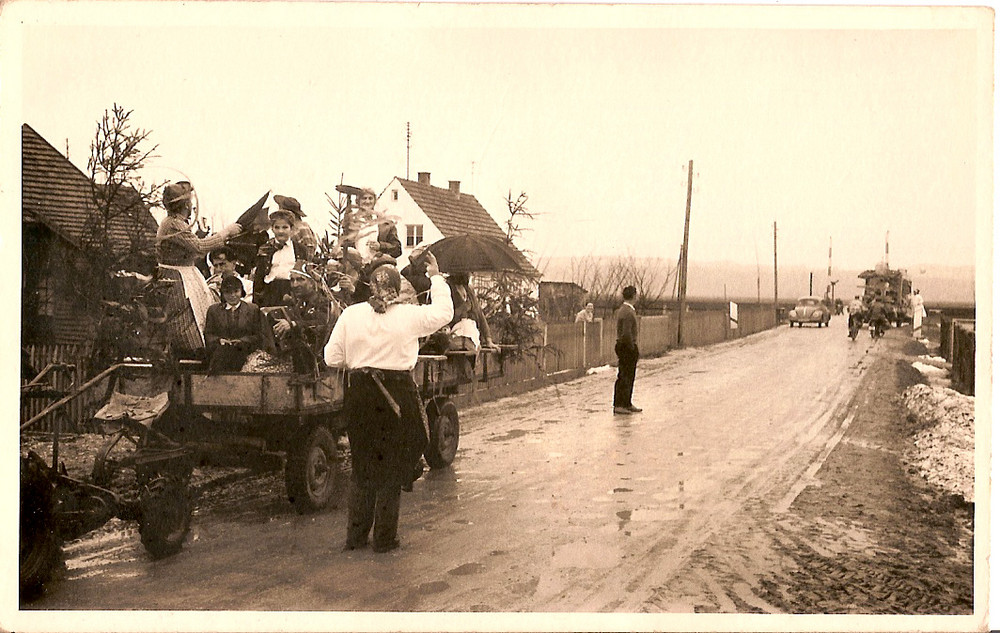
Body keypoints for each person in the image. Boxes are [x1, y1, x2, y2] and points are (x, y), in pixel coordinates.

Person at [324, 254, 453, 553]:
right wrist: (435, 276)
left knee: (363, 464)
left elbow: (331, 358)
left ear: (370, 287)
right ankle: (384, 539)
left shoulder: (351, 314)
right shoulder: (409, 315)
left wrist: (360, 359)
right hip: (395, 394)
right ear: (399, 288)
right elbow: (444, 313)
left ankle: (355, 539)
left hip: (359, 394)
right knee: (391, 467)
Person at [155, 180, 244, 355]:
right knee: (185, 317)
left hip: (183, 275)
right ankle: (190, 355)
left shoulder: (175, 223)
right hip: (177, 279)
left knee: (193, 315)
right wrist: (227, 232)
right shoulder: (173, 224)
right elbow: (199, 247)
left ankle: (193, 353)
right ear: (185, 204)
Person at [271, 260, 335, 377]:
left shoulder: (323, 302)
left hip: (318, 365)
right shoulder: (299, 303)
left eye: (300, 279)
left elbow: (322, 324)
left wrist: (293, 324)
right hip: (300, 360)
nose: (295, 284)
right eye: (292, 280)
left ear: (312, 282)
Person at [204, 274, 264, 373]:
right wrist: (219, 340)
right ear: (222, 293)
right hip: (220, 354)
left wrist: (242, 341)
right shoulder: (213, 310)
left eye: (236, 291)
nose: (232, 295)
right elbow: (208, 334)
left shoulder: (252, 309)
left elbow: (258, 335)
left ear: (242, 291)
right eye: (228, 292)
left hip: (245, 352)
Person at [253, 207, 311, 307]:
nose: (281, 231)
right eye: (277, 227)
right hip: (270, 291)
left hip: (292, 290)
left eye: (285, 227)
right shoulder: (265, 249)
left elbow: (305, 275)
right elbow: (259, 276)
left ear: (291, 229)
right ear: (272, 229)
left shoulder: (300, 249)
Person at [341, 187, 402, 266]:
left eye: (370, 198)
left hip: (378, 267)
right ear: (358, 202)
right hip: (356, 268)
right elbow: (344, 246)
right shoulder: (352, 223)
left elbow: (397, 250)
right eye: (364, 198)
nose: (367, 201)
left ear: (374, 201)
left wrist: (381, 246)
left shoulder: (386, 224)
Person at [445, 272, 494, 350]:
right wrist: (462, 308)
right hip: (455, 334)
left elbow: (479, 314)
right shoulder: (447, 289)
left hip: (472, 334)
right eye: (466, 271)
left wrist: (488, 339)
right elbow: (445, 316)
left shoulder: (469, 289)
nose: (469, 274)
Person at [613, 285, 641, 415]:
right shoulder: (628, 312)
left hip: (624, 345)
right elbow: (626, 333)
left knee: (628, 375)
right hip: (626, 346)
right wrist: (632, 347)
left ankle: (627, 403)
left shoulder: (624, 309)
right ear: (633, 296)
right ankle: (620, 404)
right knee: (625, 375)